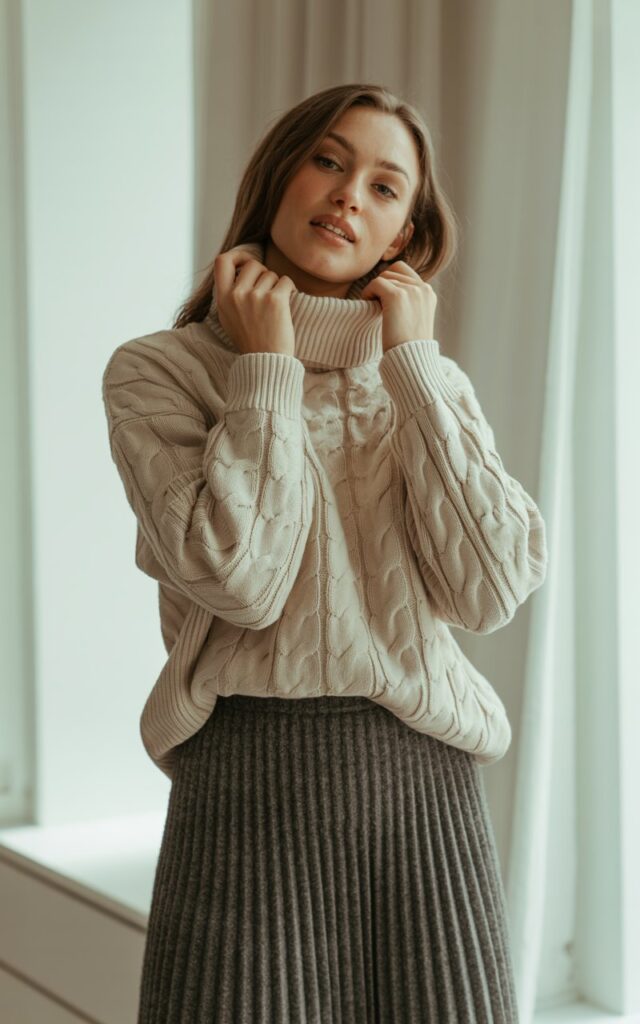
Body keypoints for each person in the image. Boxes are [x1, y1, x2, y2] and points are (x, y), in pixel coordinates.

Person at [102, 81, 547, 1023]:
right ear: (279, 176)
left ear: (402, 237)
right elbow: (239, 580)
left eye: (385, 187)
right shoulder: (159, 371)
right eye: (329, 161)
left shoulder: (426, 379)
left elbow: (493, 588)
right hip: (244, 793)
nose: (349, 194)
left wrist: (415, 369)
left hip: (424, 800)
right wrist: (266, 367)